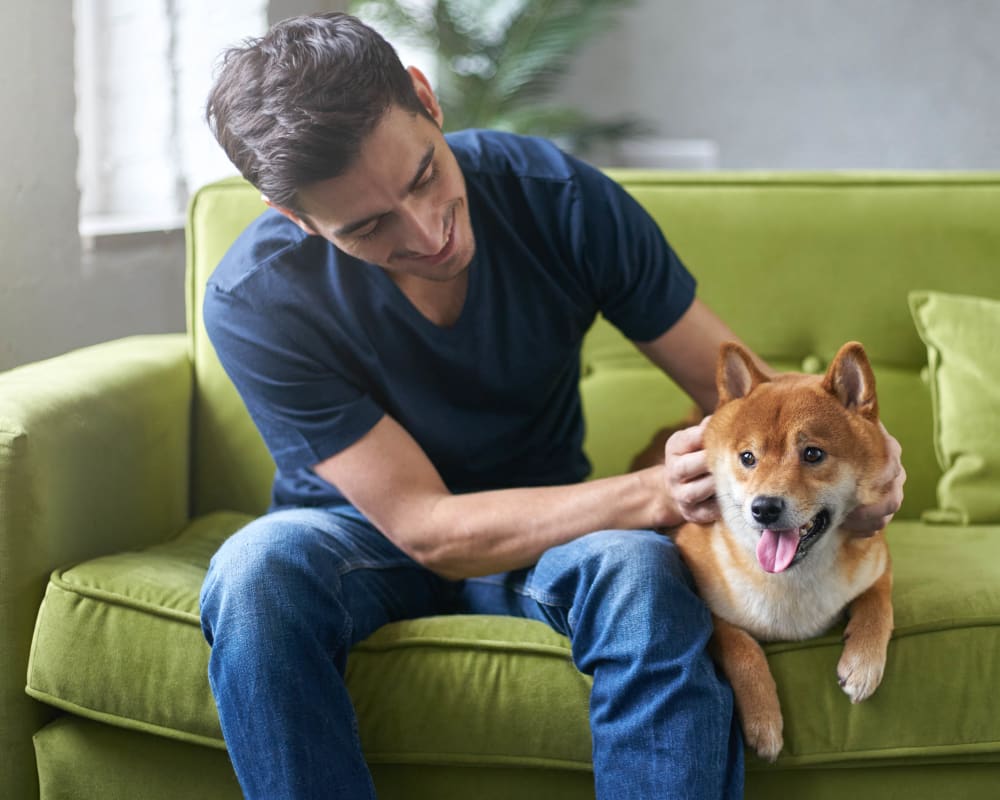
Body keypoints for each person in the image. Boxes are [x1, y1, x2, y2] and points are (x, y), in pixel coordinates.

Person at [198, 12, 905, 800]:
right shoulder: (255, 297)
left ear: (427, 102)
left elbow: (762, 408)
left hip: (554, 525)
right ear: (294, 218)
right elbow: (430, 529)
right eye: (366, 226)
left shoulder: (558, 200)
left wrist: (864, 457)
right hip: (358, 537)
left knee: (643, 571)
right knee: (253, 573)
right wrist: (652, 492)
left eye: (424, 175)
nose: (427, 232)